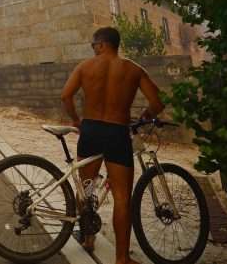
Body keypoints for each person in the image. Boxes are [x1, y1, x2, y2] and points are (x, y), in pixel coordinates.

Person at [60, 27, 164, 264]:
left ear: (102, 44)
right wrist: (145, 116)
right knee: (121, 198)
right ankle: (121, 259)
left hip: (91, 131)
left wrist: (77, 120)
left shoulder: (85, 67)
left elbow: (66, 95)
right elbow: (157, 102)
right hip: (117, 132)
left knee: (85, 190)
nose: (93, 49)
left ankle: (88, 239)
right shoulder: (134, 69)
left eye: (93, 45)